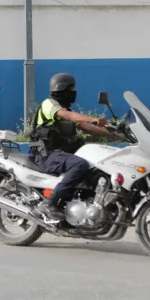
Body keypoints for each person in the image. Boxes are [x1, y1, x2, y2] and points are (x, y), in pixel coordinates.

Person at [29, 73, 120, 222]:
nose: (74, 92)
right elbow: (66, 116)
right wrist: (94, 119)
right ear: (63, 89)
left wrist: (115, 134)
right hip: (44, 154)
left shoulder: (68, 111)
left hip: (58, 153)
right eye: (72, 88)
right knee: (80, 164)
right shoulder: (49, 104)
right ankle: (48, 203)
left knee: (97, 165)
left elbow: (87, 128)